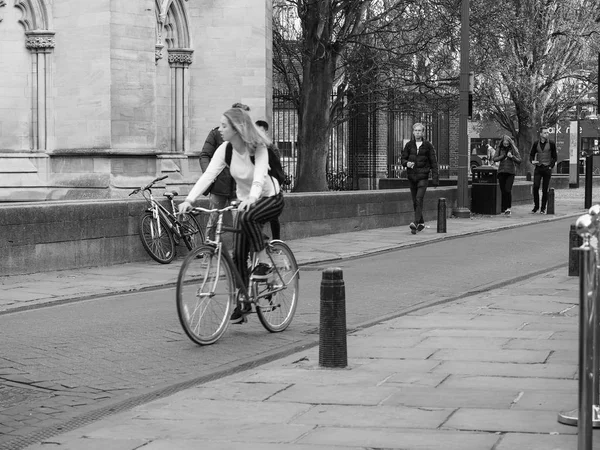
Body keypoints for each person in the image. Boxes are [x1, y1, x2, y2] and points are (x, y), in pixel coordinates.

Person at [179, 108, 284, 324]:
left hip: (269, 198)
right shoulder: (225, 150)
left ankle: (265, 263)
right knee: (237, 255)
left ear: (237, 129)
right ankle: (244, 301)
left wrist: (252, 198)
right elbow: (209, 175)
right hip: (246, 204)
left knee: (247, 217)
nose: (220, 129)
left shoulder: (257, 148)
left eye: (224, 126)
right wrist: (189, 200)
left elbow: (259, 176)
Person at [199, 102, 250, 240]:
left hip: (238, 188)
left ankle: (240, 254)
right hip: (219, 186)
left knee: (239, 223)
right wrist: (210, 174)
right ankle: (207, 249)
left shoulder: (248, 137)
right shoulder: (217, 133)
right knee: (213, 220)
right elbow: (205, 155)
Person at [400, 122, 439, 234]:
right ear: (413, 132)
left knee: (419, 199)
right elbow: (403, 159)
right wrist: (407, 164)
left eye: (419, 131)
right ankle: (421, 223)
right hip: (412, 177)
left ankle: (415, 223)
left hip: (423, 176)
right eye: (415, 130)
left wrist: (435, 180)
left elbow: (434, 163)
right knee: (414, 201)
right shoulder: (409, 145)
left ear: (423, 132)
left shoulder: (428, 146)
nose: (417, 132)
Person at [255, 120, 282, 240]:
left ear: (266, 132)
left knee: (273, 218)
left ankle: (276, 240)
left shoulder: (272, 148)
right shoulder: (254, 146)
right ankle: (261, 239)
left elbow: (277, 168)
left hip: (271, 186)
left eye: (260, 131)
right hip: (258, 187)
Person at [529, 127, 557, 214]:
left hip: (547, 168)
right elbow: (531, 154)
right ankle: (536, 206)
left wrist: (550, 166)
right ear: (540, 134)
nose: (546, 134)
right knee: (535, 187)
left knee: (545, 189)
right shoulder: (536, 143)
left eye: (547, 133)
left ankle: (543, 208)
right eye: (544, 133)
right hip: (538, 167)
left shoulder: (551, 143)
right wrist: (532, 161)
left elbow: (555, 157)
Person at [493, 135, 521, 215]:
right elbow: (494, 159)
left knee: (508, 190)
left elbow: (519, 160)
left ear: (509, 143)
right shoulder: (499, 149)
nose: (506, 145)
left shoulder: (513, 149)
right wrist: (503, 156)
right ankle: (503, 207)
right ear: (502, 142)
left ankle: (508, 207)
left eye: (507, 144)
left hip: (510, 172)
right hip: (501, 172)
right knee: (503, 190)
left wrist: (512, 157)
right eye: (504, 144)